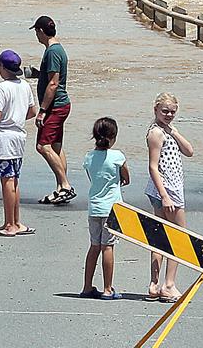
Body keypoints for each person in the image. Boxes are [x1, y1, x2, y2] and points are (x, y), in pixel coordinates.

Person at [145, 92, 194, 302]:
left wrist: (174, 131)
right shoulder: (156, 133)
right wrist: (165, 196)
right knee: (178, 237)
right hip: (167, 190)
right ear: (155, 109)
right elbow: (153, 167)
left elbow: (189, 151)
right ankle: (168, 285)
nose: (169, 114)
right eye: (165, 111)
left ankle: (155, 284)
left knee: (161, 236)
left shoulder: (169, 130)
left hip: (167, 189)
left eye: (173, 111)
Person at [0, 50, 37, 237]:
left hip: (3, 140)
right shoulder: (25, 86)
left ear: (3, 67)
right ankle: (16, 221)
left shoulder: (1, 88)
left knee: (7, 180)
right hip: (19, 137)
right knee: (14, 180)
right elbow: (32, 112)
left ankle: (9, 225)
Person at [81, 117, 129, 299]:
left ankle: (87, 286)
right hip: (112, 209)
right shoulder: (117, 156)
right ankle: (108, 288)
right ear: (113, 136)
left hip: (94, 207)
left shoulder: (89, 157)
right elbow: (126, 178)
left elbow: (92, 178)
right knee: (107, 247)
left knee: (94, 246)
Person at [31, 15, 74, 205]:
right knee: (55, 146)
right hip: (59, 105)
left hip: (55, 106)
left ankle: (65, 185)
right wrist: (38, 75)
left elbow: (54, 83)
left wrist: (42, 110)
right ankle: (60, 189)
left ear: (40, 31)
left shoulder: (53, 52)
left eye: (36, 32)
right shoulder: (55, 50)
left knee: (42, 146)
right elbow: (51, 78)